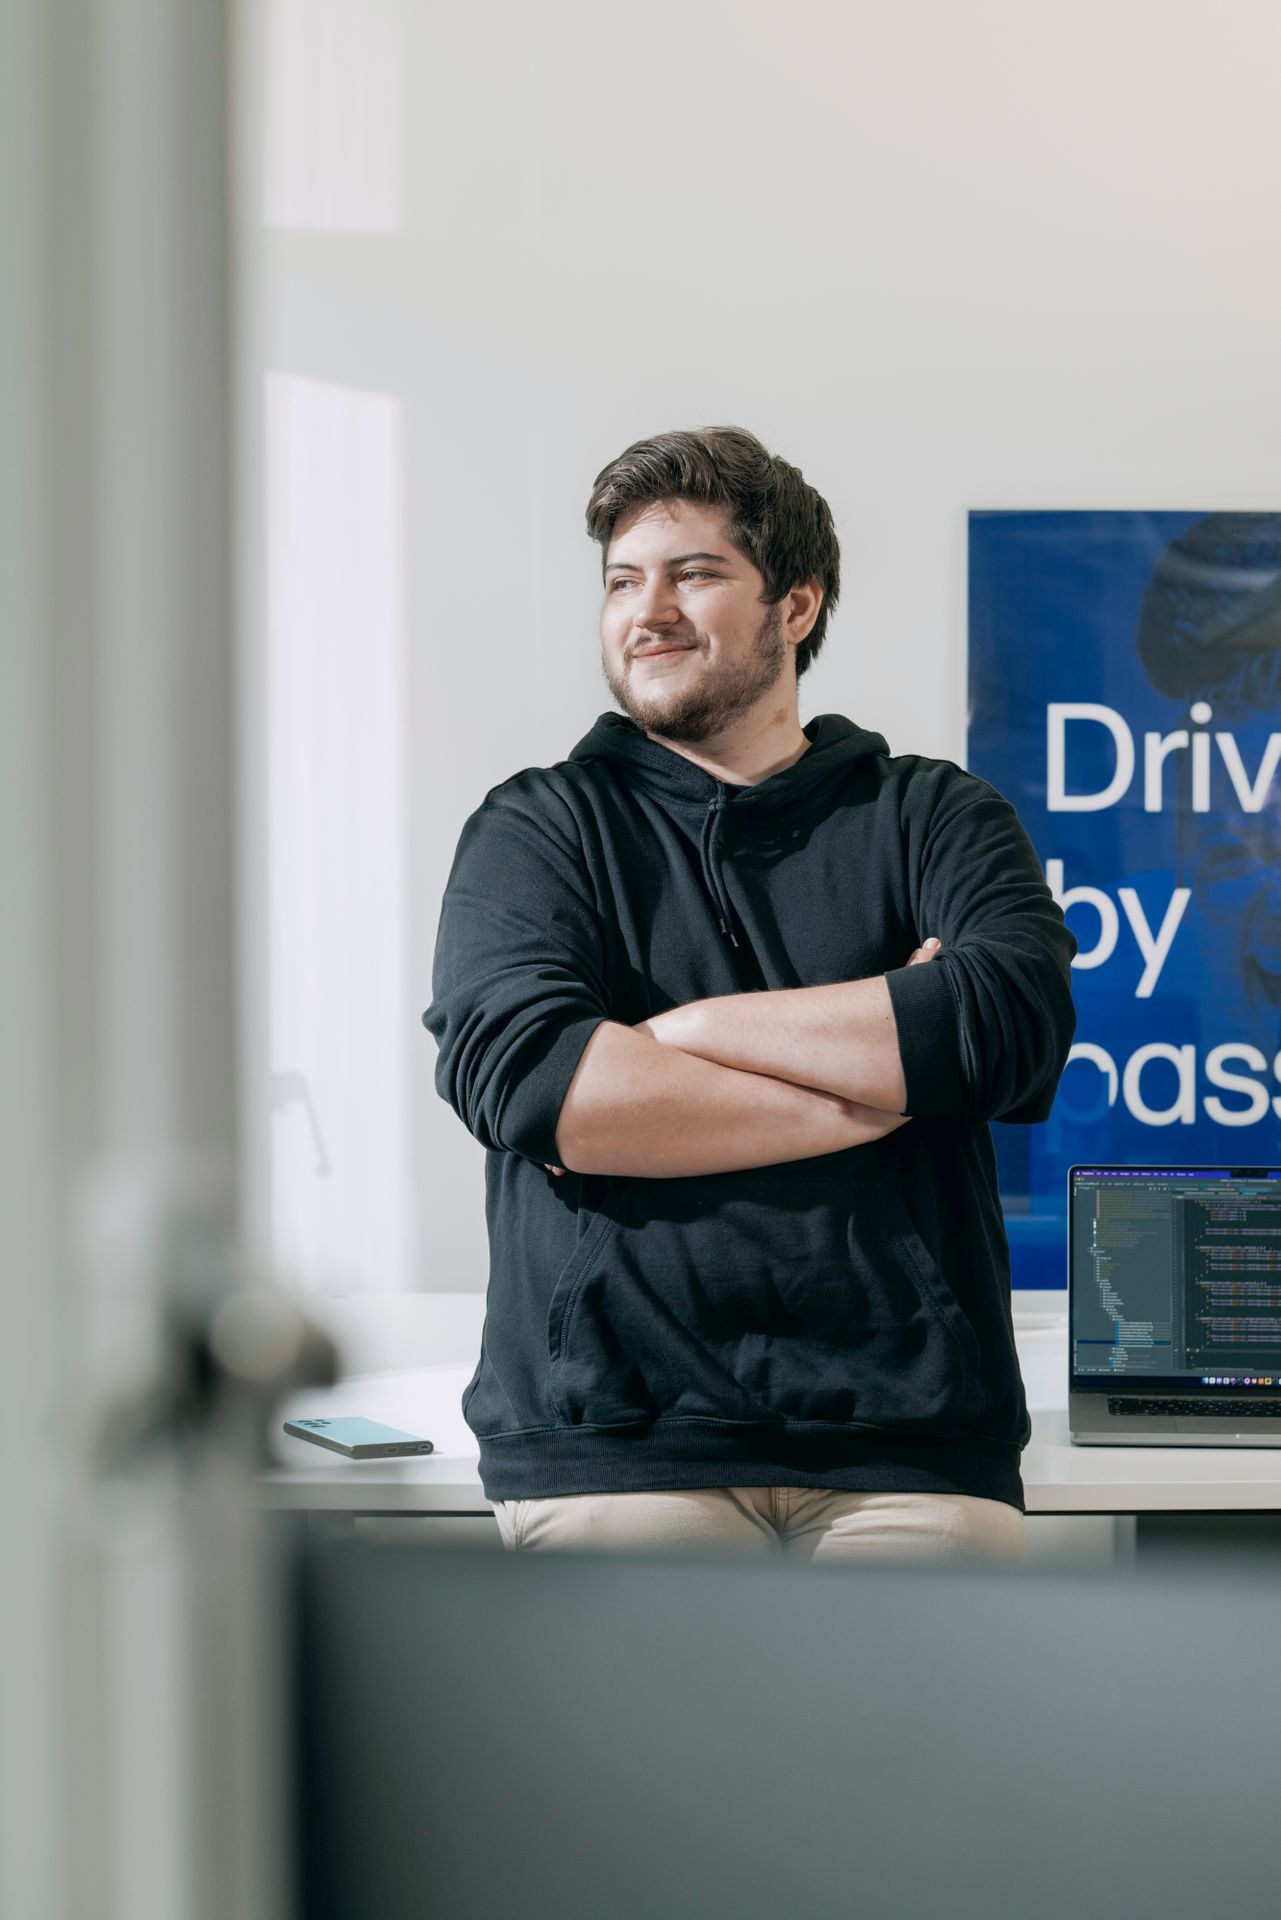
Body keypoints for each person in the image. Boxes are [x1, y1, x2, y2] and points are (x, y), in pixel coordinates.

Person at [422, 426, 1076, 1564]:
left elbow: (1006, 1027)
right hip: (617, 1435)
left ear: (797, 605)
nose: (648, 611)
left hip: (912, 1440)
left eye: (694, 573)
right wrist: (884, 1083)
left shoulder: (934, 815)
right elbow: (536, 1086)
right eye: (623, 581)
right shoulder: (538, 827)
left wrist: (682, 1035)